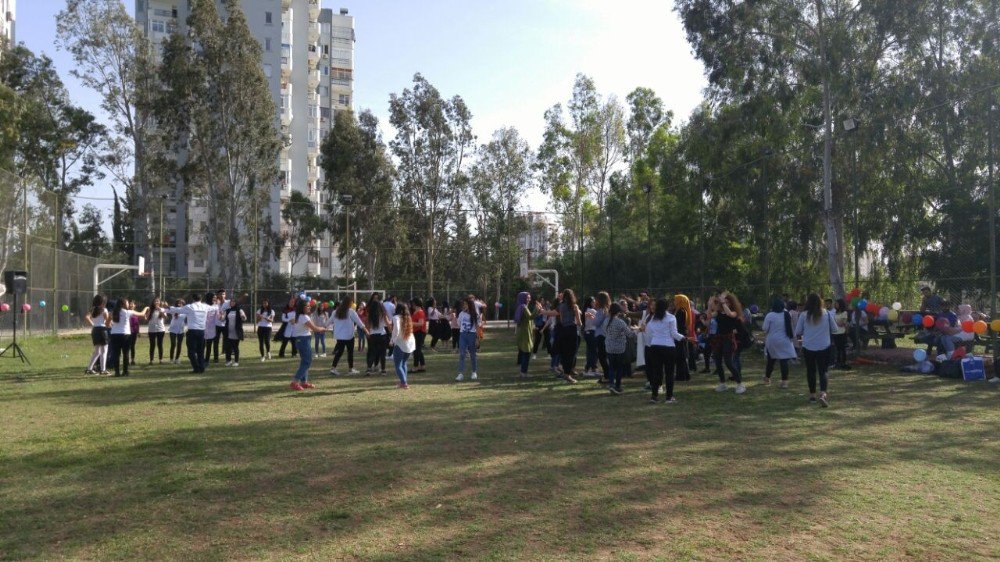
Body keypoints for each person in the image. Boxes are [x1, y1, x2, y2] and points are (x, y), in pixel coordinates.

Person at [639, 298, 686, 403]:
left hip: (655, 346)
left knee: (657, 372)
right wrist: (683, 338)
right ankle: (669, 397)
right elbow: (674, 333)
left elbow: (649, 332)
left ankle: (654, 397)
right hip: (668, 347)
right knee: (669, 373)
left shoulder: (653, 319)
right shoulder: (671, 317)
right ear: (666, 307)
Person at [795, 292, 837, 407]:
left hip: (809, 346)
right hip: (824, 346)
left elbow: (798, 331)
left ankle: (812, 396)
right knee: (823, 371)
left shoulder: (804, 315)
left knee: (811, 371)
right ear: (820, 302)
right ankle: (823, 394)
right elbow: (835, 329)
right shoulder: (827, 314)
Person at [167, 293, 219, 373]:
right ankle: (201, 368)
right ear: (201, 299)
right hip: (202, 331)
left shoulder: (190, 306)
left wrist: (168, 307)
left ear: (193, 299)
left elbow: (178, 310)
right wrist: (216, 303)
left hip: (192, 331)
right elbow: (214, 308)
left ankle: (196, 368)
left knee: (191, 352)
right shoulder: (205, 306)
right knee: (200, 351)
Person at [288, 298, 328, 390]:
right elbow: (315, 329)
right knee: (307, 361)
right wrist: (323, 329)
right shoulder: (304, 317)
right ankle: (295, 381)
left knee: (304, 361)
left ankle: (304, 382)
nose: (310, 307)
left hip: (300, 340)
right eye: (308, 306)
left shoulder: (299, 316)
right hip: (303, 340)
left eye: (310, 306)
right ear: (302, 307)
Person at [107, 298, 150, 377]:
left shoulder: (112, 312)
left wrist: (114, 326)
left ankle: (117, 372)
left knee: (116, 354)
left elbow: (107, 324)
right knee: (126, 354)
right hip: (125, 335)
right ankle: (125, 371)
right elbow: (142, 314)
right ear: (123, 304)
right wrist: (147, 308)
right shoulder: (128, 312)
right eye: (127, 303)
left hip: (114, 335)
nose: (128, 304)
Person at [715, 291, 747, 394]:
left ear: (731, 303)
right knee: (717, 362)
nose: (726, 303)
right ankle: (723, 383)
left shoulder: (734, 312)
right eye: (725, 302)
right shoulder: (719, 312)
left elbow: (729, 314)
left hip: (729, 339)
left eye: (728, 302)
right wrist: (710, 304)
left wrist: (723, 302)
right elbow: (709, 316)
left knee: (729, 362)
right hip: (719, 339)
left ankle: (740, 384)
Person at [762, 299, 796, 388]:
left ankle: (767, 378)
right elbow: (791, 328)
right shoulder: (786, 314)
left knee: (771, 360)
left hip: (772, 341)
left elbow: (765, 328)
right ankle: (784, 382)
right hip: (785, 340)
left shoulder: (770, 315)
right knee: (784, 361)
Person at [329, 296, 368, 375]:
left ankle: (333, 368)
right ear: (349, 303)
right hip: (349, 336)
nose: (353, 304)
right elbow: (359, 323)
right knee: (350, 353)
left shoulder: (335, 312)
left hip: (340, 337)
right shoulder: (351, 312)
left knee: (339, 352)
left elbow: (328, 322)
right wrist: (366, 331)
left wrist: (322, 328)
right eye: (352, 302)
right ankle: (350, 369)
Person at [603, 303, 632, 395]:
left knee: (611, 367)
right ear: (618, 312)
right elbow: (629, 334)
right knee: (619, 368)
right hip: (619, 348)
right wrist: (638, 330)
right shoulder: (620, 322)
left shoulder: (606, 321)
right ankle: (618, 386)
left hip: (609, 347)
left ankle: (611, 384)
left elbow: (605, 332)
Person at [390, 302, 416, 389]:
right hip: (410, 343)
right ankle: (403, 382)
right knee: (404, 363)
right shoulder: (408, 318)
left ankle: (404, 383)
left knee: (398, 364)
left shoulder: (396, 317)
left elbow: (396, 330)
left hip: (401, 343)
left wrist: (392, 340)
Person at [455, 297, 481, 381]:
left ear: (470, 305)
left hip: (472, 335)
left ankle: (474, 372)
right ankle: (460, 374)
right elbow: (459, 323)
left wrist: (477, 339)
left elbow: (477, 327)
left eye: (465, 304)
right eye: (463, 304)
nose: (464, 306)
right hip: (463, 335)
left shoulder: (475, 314)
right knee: (462, 354)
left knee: (473, 354)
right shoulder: (461, 313)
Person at [84, 294, 110, 375]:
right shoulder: (104, 310)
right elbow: (107, 321)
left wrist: (93, 324)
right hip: (102, 330)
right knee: (104, 351)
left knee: (97, 351)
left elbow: (87, 317)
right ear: (103, 302)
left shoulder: (92, 309)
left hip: (95, 330)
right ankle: (103, 370)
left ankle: (89, 369)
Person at [673, 294, 696, 382]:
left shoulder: (681, 311)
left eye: (676, 300)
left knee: (680, 356)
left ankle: (681, 376)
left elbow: (678, 325)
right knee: (682, 355)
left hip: (680, 334)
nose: (674, 302)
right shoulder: (682, 311)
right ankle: (685, 375)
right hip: (682, 334)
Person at [365, 293, 389, 375]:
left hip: (373, 335)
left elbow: (367, 326)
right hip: (382, 334)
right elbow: (388, 323)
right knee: (382, 353)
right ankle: (383, 370)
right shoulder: (382, 314)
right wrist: (392, 330)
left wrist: (367, 333)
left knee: (372, 352)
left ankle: (368, 369)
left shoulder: (370, 315)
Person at [513, 291, 534, 378]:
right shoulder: (524, 307)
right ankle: (523, 373)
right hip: (525, 334)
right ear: (523, 298)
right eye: (527, 297)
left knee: (524, 352)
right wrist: (538, 310)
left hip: (522, 333)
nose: (529, 299)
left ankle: (523, 372)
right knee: (527, 353)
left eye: (529, 297)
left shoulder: (520, 307)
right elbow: (530, 317)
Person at [224, 298, 247, 366]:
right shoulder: (227, 310)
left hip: (236, 332)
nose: (232, 303)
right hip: (228, 331)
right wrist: (220, 317)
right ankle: (229, 361)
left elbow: (244, 318)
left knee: (235, 347)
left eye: (233, 301)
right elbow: (222, 319)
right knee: (228, 347)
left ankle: (236, 362)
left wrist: (243, 316)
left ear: (236, 303)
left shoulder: (239, 310)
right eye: (231, 302)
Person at [145, 297, 167, 364]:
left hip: (160, 329)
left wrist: (161, 310)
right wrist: (148, 313)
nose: (156, 302)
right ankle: (151, 360)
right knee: (152, 345)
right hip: (152, 330)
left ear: (160, 302)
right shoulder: (150, 309)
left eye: (158, 301)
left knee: (160, 344)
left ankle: (161, 360)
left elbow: (165, 317)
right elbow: (147, 319)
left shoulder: (162, 309)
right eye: (155, 301)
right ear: (153, 302)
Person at [831, 298, 850, 369]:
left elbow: (842, 323)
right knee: (837, 349)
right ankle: (838, 363)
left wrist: (834, 323)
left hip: (841, 332)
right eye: (835, 304)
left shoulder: (844, 313)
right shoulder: (835, 313)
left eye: (837, 303)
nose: (835, 305)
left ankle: (843, 362)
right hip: (835, 333)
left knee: (842, 348)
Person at [410, 298, 427, 372]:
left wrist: (410, 323)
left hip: (419, 333)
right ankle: (422, 366)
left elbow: (421, 323)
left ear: (415, 304)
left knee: (416, 350)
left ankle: (415, 367)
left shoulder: (420, 312)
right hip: (416, 332)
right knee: (418, 350)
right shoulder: (416, 312)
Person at [168, 299, 186, 365]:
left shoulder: (185, 311)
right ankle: (171, 359)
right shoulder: (173, 309)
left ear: (183, 304)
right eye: (178, 303)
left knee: (179, 345)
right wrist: (166, 306)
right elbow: (168, 308)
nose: (180, 304)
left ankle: (177, 359)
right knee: (173, 344)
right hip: (173, 329)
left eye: (181, 303)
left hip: (181, 330)